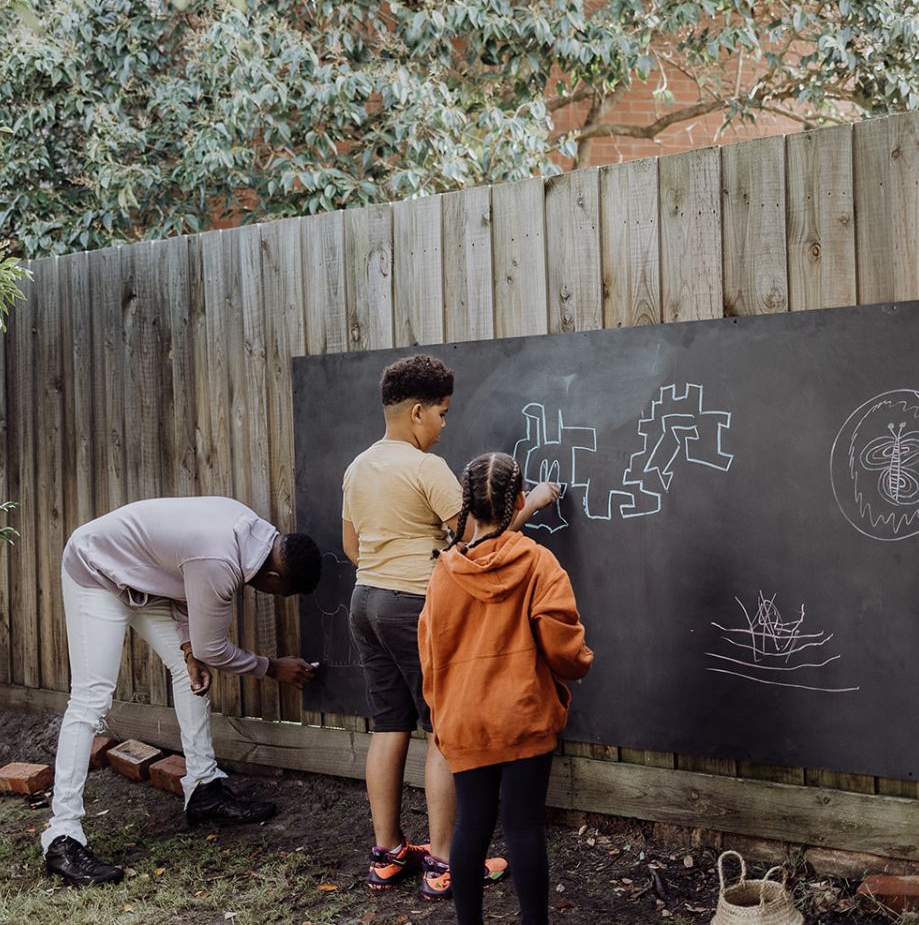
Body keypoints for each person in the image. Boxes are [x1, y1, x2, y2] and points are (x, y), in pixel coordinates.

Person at [342, 354, 558, 900]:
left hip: (364, 600)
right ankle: (442, 861)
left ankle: (387, 852)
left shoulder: (359, 466)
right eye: (441, 413)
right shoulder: (427, 469)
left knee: (388, 724)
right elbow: (477, 538)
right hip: (412, 604)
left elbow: (352, 547)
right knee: (444, 726)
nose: (444, 424)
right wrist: (533, 501)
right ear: (417, 413)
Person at [42, 496, 322, 887]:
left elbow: (181, 577)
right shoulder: (223, 561)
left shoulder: (251, 531)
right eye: (280, 593)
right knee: (92, 698)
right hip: (97, 569)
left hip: (140, 577)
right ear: (275, 580)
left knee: (189, 668)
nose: (273, 595)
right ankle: (62, 835)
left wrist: (189, 648)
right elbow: (215, 643)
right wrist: (272, 667)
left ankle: (204, 790)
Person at [418, 452, 593, 925]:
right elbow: (562, 642)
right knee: (523, 826)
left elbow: (429, 655)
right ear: (518, 501)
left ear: (466, 505)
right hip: (524, 717)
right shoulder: (538, 562)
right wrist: (580, 663)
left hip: (467, 722)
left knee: (470, 825)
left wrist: (442, 714)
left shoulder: (443, 574)